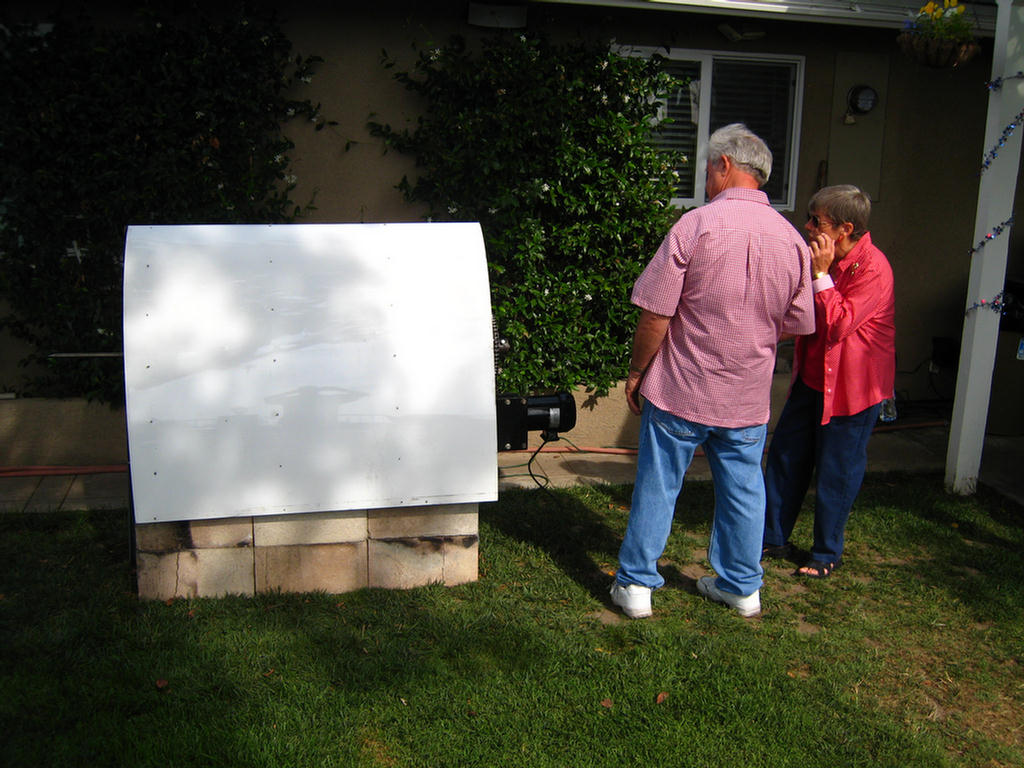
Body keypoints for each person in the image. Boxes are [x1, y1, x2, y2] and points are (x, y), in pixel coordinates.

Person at [609, 123, 815, 619]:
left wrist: (638, 372)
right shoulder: (792, 240)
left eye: (707, 167)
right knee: (745, 489)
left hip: (682, 387)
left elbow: (656, 312)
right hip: (746, 396)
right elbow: (798, 321)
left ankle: (637, 586)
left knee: (659, 484)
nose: (705, 177)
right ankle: (743, 588)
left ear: (725, 165)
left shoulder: (695, 225)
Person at [761, 184, 895, 579]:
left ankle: (826, 553)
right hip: (813, 379)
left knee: (837, 470)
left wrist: (820, 274)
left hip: (854, 390)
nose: (806, 226)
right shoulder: (827, 258)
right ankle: (772, 536)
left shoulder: (873, 268)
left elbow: (838, 323)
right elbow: (803, 312)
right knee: (786, 457)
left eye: (816, 221)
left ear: (844, 228)